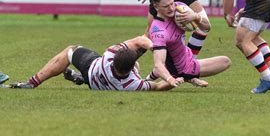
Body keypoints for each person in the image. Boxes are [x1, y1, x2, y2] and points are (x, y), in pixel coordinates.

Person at [10, 35, 179, 91]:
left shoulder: (109, 56)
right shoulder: (133, 85)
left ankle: (32, 82)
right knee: (139, 66)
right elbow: (158, 87)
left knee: (70, 51)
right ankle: (79, 78)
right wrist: (179, 77)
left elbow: (139, 40)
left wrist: (152, 47)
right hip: (97, 84)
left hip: (92, 69)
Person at [145, 0, 231, 87]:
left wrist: (196, 17)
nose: (171, 8)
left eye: (172, 3)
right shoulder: (158, 31)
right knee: (225, 61)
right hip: (183, 69)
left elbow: (206, 28)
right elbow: (158, 64)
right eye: (166, 6)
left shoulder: (180, 8)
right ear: (156, 7)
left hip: (188, 57)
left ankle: (148, 80)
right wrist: (171, 80)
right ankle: (187, 77)